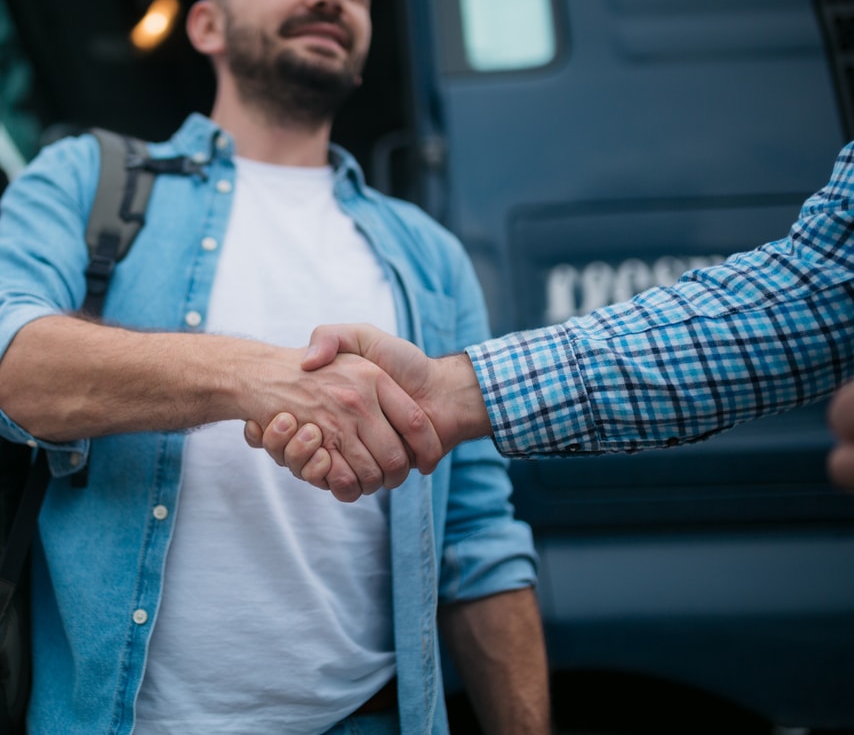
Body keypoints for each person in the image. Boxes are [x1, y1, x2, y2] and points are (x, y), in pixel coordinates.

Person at [0, 0, 548, 732]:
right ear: (207, 24)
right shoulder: (88, 178)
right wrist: (258, 380)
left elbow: (478, 536)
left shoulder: (429, 258)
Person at [247, 141, 854, 492]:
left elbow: (815, 287)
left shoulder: (426, 242)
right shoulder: (148, 193)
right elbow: (814, 287)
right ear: (205, 22)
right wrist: (258, 381)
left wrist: (446, 395)